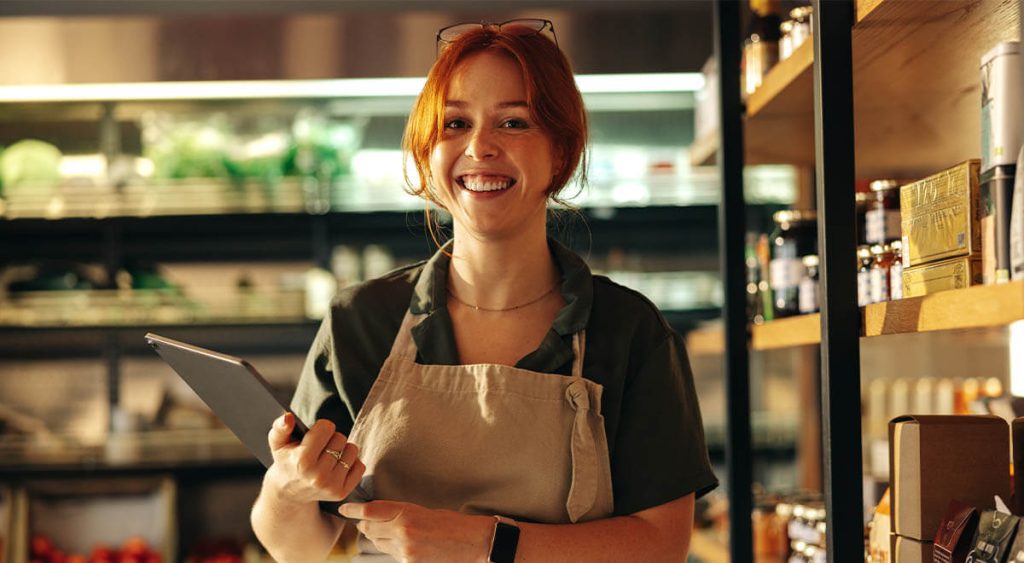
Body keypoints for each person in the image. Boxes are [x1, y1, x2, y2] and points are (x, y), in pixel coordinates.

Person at [251, 18, 717, 562]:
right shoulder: (361, 321)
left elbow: (661, 545)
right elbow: (299, 547)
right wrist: (287, 488)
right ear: (428, 153)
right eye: (454, 124)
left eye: (514, 122)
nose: (480, 147)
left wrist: (487, 544)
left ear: (560, 155)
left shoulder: (630, 330)